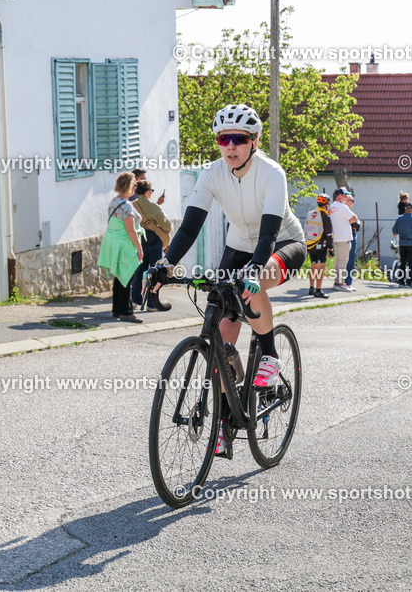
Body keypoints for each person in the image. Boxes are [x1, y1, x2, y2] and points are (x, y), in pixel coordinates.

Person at [150, 104, 306, 456]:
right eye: (224, 139)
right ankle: (224, 423)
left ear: (253, 142)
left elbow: (267, 234)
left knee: (254, 283)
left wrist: (252, 270)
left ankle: (269, 356)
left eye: (238, 139)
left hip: (281, 243)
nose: (230, 146)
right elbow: (190, 227)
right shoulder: (212, 174)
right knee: (220, 337)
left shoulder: (271, 173)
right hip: (238, 247)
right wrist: (165, 264)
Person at [98, 172, 145, 323]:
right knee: (127, 277)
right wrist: (139, 248)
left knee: (119, 277)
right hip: (125, 245)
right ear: (129, 186)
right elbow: (130, 230)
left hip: (114, 243)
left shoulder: (114, 201)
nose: (135, 187)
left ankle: (117, 310)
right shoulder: (127, 206)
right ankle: (126, 311)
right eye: (134, 184)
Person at [130, 180, 171, 311]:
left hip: (139, 238)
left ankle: (135, 300)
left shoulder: (132, 205)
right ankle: (152, 304)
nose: (152, 193)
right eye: (151, 190)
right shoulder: (153, 207)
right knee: (154, 271)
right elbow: (167, 226)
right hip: (154, 240)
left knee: (140, 270)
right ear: (147, 191)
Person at [329, 187, 359, 291]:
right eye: (345, 195)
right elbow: (355, 218)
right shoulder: (342, 207)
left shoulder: (332, 206)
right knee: (343, 262)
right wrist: (349, 221)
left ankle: (337, 282)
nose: (347, 198)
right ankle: (340, 283)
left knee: (337, 261)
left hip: (336, 238)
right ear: (340, 196)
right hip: (344, 237)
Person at [305, 192, 333, 299]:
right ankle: (318, 290)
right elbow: (329, 233)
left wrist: (306, 245)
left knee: (313, 266)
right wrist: (331, 248)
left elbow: (306, 229)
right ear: (325, 204)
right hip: (321, 244)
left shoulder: (310, 213)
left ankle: (311, 288)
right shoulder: (325, 215)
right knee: (321, 267)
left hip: (310, 244)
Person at [391, 202, 412, 287]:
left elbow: (394, 231)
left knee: (402, 262)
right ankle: (409, 282)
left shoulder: (399, 219)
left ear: (405, 209)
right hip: (411, 243)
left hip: (402, 243)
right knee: (410, 263)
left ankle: (401, 280)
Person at [345, 193, 360, 290]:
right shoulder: (346, 212)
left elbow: (357, 225)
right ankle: (346, 282)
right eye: (352, 201)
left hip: (351, 237)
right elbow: (356, 224)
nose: (353, 203)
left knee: (350, 261)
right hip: (348, 238)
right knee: (348, 261)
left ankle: (348, 282)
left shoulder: (349, 212)